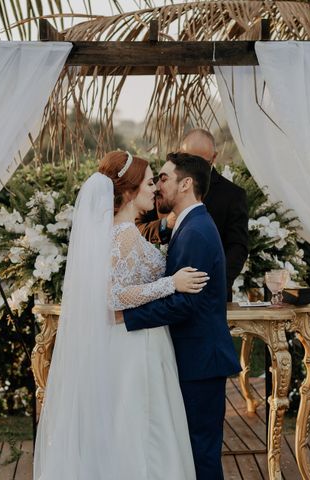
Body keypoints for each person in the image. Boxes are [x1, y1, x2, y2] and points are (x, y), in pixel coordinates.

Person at [33, 151, 208, 480]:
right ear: (129, 190)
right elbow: (113, 296)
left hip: (129, 340)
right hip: (136, 345)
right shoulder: (123, 235)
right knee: (142, 430)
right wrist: (171, 283)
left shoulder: (117, 232)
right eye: (148, 181)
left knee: (123, 426)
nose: (154, 188)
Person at [118, 152, 242, 480]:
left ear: (186, 184)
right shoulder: (190, 226)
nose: (158, 186)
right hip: (194, 358)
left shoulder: (197, 231)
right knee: (192, 450)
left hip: (200, 361)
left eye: (164, 178)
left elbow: (186, 304)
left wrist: (127, 318)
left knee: (201, 453)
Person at [137, 129, 249, 301]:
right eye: (187, 157)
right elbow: (137, 229)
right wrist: (165, 224)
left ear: (214, 158)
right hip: (161, 290)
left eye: (201, 161)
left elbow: (238, 247)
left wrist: (214, 283)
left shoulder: (233, 195)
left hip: (210, 296)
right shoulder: (162, 184)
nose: (193, 166)